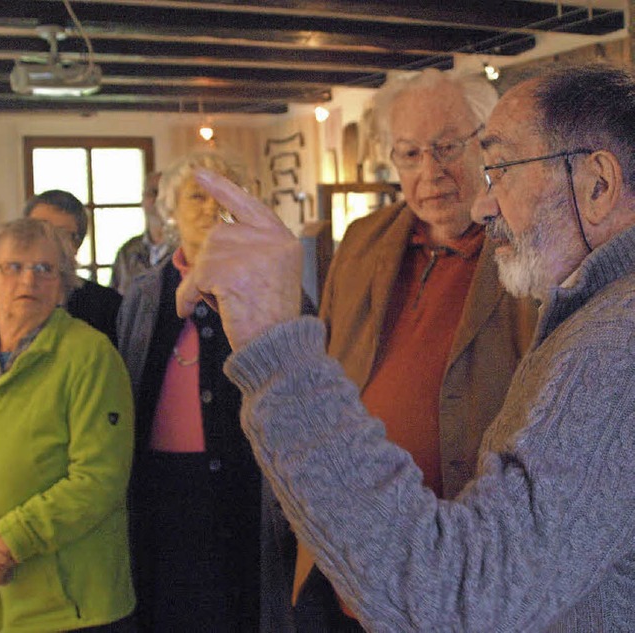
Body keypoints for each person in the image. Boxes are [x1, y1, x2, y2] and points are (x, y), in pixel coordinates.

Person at [177, 63, 635, 631]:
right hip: (363, 563)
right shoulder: (369, 241)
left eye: (500, 168)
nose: (484, 204)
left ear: (598, 184)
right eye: (409, 154)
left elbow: (459, 597)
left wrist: (275, 348)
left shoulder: (615, 345)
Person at [292, 69, 537, 630]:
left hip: (464, 573)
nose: (430, 173)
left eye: (448, 147)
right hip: (348, 557)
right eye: (409, 153)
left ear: (489, 142)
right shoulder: (361, 242)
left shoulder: (530, 249)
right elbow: (327, 365)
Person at [117, 150, 315, 632]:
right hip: (161, 488)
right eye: (195, 197)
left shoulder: (276, 286)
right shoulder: (145, 293)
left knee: (241, 605)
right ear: (171, 210)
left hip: (247, 484)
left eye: (221, 197)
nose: (208, 209)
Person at [0, 218, 135, 632]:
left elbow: (99, 478)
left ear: (63, 286)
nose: (29, 280)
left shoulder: (89, 354)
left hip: (70, 606)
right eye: (13, 267)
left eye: (44, 269)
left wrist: (9, 542)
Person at [23, 189, 122, 346]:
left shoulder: (107, 307)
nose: (46, 242)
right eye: (38, 229)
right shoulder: (4, 298)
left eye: (60, 235)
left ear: (77, 245)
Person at [110, 172, 173, 296]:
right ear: (143, 199)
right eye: (153, 192)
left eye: (165, 194)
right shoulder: (127, 251)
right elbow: (114, 301)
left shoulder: (187, 249)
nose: (158, 199)